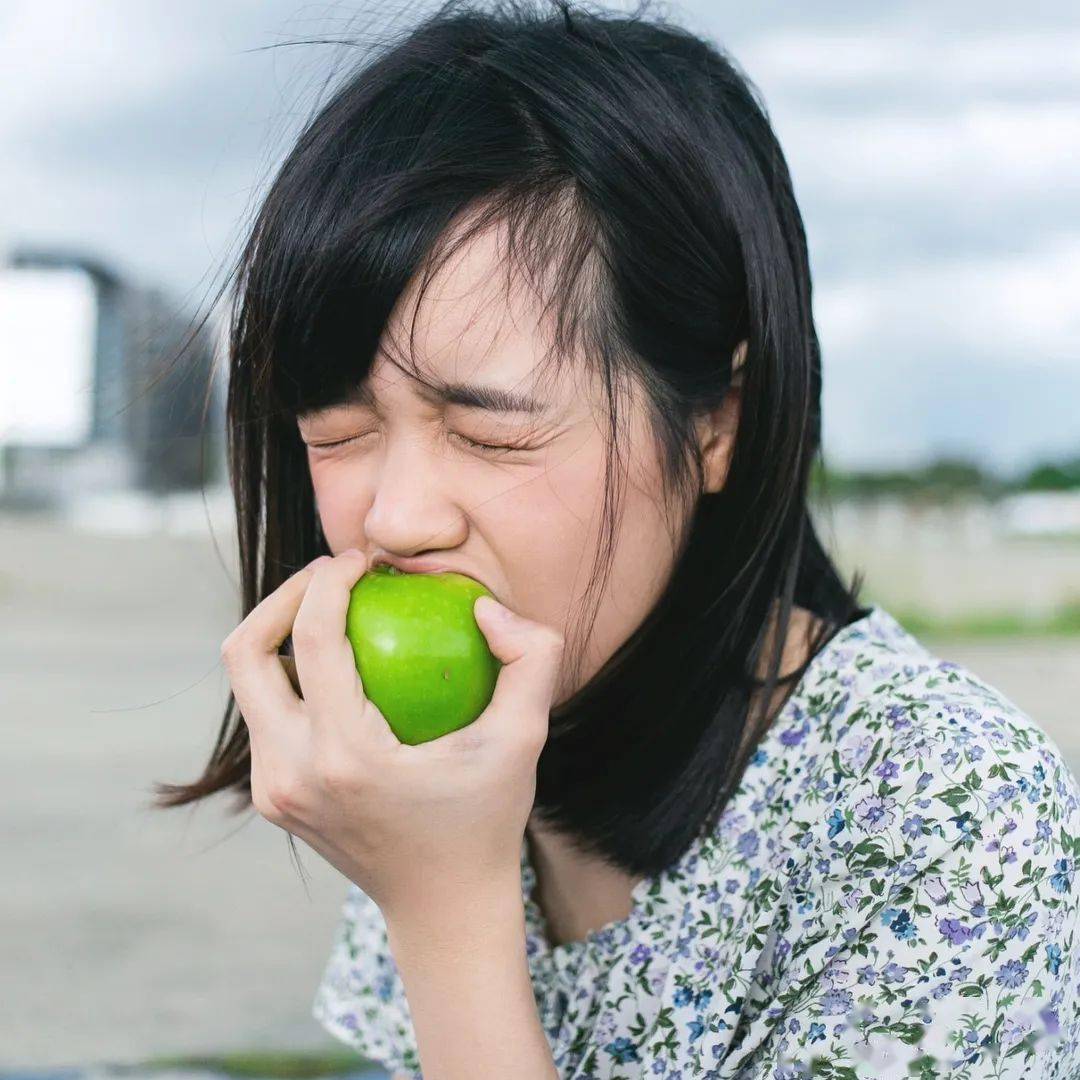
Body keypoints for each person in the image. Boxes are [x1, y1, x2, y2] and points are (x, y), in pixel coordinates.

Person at [152, 0, 1080, 1075]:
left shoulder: (946, 815)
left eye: (490, 433)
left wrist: (447, 914)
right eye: (340, 430)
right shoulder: (466, 762)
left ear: (717, 422)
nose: (397, 518)